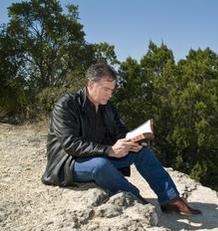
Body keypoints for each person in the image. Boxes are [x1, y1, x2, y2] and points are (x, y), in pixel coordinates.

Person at [41, 63, 201, 216]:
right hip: (70, 163)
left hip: (99, 155)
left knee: (142, 152)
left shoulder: (108, 107)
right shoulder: (66, 105)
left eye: (112, 90)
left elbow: (120, 133)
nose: (109, 94)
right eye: (106, 89)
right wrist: (109, 150)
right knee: (100, 165)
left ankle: (170, 200)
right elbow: (70, 144)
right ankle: (135, 198)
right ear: (91, 84)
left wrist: (135, 140)